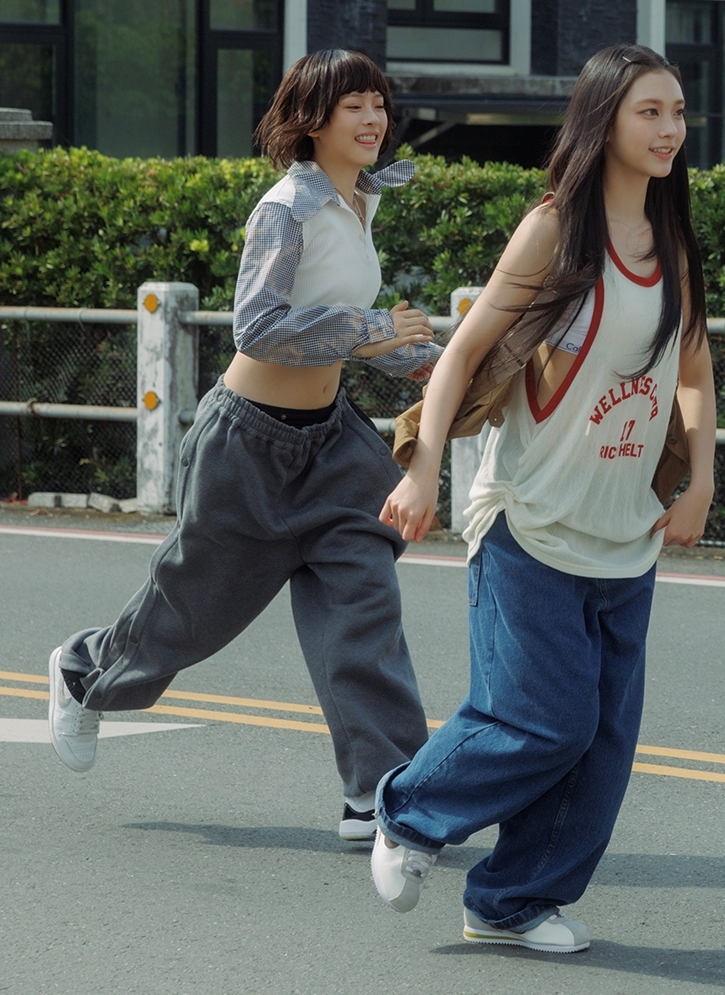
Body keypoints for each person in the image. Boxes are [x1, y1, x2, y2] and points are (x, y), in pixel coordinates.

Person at [365, 44, 716, 956]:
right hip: (528, 520)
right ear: (605, 119)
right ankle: (409, 810)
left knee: (601, 741)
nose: (670, 128)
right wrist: (422, 468)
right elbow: (462, 355)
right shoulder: (555, 230)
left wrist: (702, 476)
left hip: (624, 533)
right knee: (538, 716)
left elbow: (694, 365)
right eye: (650, 111)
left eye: (678, 111)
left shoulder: (672, 238)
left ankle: (513, 900)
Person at [47, 49, 441, 843]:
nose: (373, 119)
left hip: (331, 447)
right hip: (247, 448)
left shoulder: (358, 199)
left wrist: (432, 363)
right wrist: (373, 332)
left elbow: (336, 330)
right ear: (312, 118)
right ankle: (84, 672)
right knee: (193, 616)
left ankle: (381, 790)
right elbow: (256, 327)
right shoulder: (285, 208)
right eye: (354, 105)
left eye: (379, 104)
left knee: (363, 598)